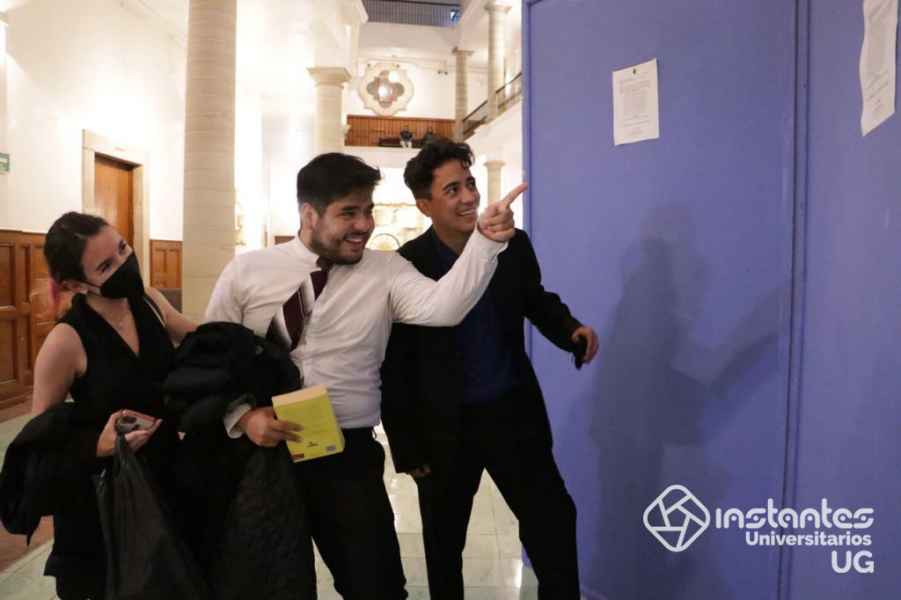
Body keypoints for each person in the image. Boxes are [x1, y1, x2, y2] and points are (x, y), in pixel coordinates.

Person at [205, 152, 521, 600]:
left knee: (377, 586)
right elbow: (211, 358)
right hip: (262, 455)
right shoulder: (247, 272)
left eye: (368, 211)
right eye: (348, 213)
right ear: (309, 215)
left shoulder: (386, 271)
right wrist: (242, 417)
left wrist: (485, 244)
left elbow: (444, 307)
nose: (364, 225)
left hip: (346, 455)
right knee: (270, 587)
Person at [380, 138, 599, 600]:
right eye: (452, 189)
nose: (469, 197)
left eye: (470, 184)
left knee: (553, 521)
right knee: (444, 544)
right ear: (424, 205)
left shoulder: (512, 246)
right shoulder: (407, 265)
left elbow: (535, 299)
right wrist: (406, 445)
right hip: (443, 429)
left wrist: (570, 330)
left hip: (511, 413)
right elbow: (395, 363)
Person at [30, 211, 196, 600]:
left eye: (123, 248)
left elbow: (201, 341)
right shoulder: (66, 341)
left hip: (166, 482)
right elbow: (39, 444)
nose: (124, 264)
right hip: (104, 504)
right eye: (106, 266)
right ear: (75, 284)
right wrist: (99, 444)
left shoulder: (150, 301)